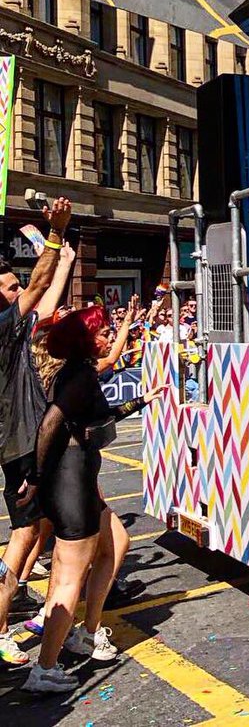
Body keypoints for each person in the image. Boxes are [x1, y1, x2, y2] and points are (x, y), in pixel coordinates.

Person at [20, 306, 168, 693]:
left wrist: (144, 399)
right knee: (68, 578)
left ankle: (86, 631)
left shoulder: (77, 373)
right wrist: (35, 478)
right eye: (101, 331)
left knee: (116, 542)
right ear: (85, 339)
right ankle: (45, 668)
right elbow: (51, 422)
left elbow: (98, 419)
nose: (107, 337)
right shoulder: (79, 376)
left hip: (75, 479)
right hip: (71, 483)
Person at [0, 197, 71, 668]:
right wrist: (56, 232)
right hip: (19, 446)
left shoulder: (13, 325)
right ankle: (3, 623)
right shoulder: (3, 325)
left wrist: (61, 255)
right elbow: (41, 283)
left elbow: (45, 291)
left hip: (19, 444)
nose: (16, 290)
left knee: (33, 531)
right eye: (8, 287)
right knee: (26, 534)